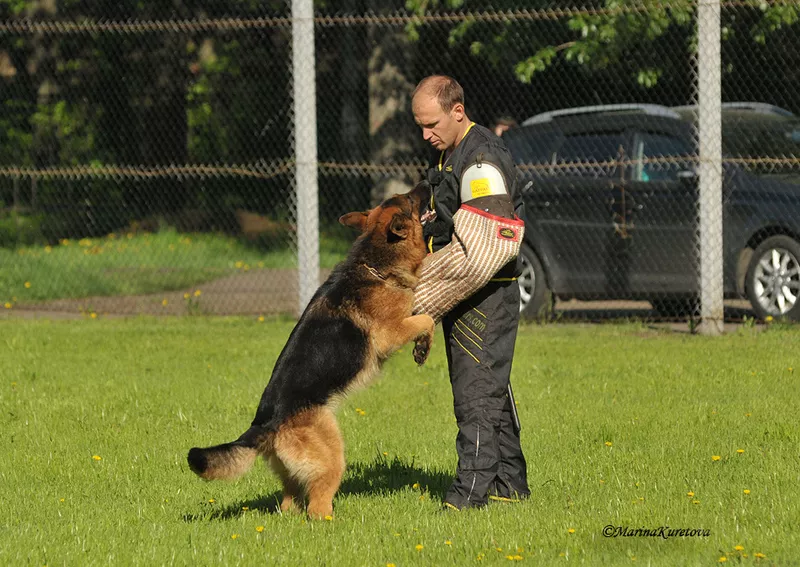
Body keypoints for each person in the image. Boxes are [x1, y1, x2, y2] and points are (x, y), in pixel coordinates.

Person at [410, 75, 530, 511]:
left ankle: (468, 494)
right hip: (472, 289)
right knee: (490, 385)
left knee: (476, 390)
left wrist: (427, 290)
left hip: (485, 292)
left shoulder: (480, 159)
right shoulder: (452, 154)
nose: (426, 134)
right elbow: (459, 220)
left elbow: (488, 243)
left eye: (431, 124)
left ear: (457, 111)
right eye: (420, 126)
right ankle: (509, 484)